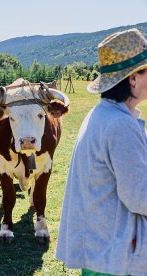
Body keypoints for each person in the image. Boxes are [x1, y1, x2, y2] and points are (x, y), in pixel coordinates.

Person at [56, 28, 147, 276]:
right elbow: (139, 196)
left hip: (101, 249)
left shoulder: (102, 115)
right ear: (133, 79)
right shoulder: (121, 125)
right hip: (116, 256)